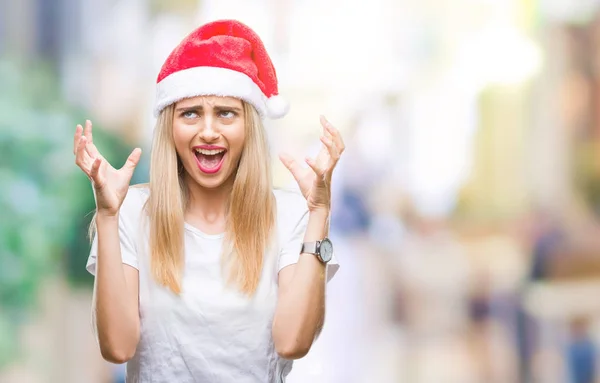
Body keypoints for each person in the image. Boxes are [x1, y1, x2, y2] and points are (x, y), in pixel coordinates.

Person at [73, 19, 342, 382]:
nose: (209, 131)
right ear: (170, 127)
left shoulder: (292, 214)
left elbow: (292, 342)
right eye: (190, 113)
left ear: (248, 126)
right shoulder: (131, 213)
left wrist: (319, 213)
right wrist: (107, 215)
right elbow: (118, 347)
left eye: (226, 113)